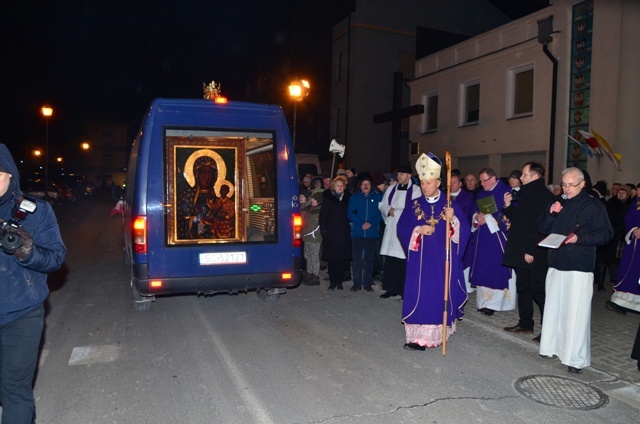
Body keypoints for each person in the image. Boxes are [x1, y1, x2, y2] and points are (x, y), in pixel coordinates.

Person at [0, 144, 66, 423]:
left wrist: (27, 252)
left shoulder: (35, 212)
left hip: (22, 314)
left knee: (15, 390)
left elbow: (55, 258)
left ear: (10, 175)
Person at [537, 167, 613, 374]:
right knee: (553, 307)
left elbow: (606, 234)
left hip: (579, 264)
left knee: (575, 313)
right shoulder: (558, 201)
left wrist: (580, 239)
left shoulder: (594, 205)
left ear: (582, 184)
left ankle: (574, 358)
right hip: (556, 261)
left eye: (571, 185)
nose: (567, 189)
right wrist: (551, 214)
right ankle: (550, 346)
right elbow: (542, 228)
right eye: (564, 184)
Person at [397, 153, 470, 349]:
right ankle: (417, 338)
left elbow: (463, 231)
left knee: (438, 296)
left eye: (428, 183)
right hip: (420, 264)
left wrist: (453, 219)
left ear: (438, 182)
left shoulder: (449, 206)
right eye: (422, 183)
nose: (424, 186)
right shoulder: (413, 206)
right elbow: (401, 229)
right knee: (420, 295)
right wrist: (417, 230)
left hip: (442, 262)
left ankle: (438, 335)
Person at [501, 162, 554, 342]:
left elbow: (542, 227)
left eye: (524, 174)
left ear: (533, 176)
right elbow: (521, 220)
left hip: (533, 251)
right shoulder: (527, 193)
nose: (520, 178)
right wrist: (508, 207)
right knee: (523, 287)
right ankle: (525, 323)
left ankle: (549, 330)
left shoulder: (542, 195)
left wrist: (532, 249)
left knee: (539, 290)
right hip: (521, 249)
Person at [466, 167, 515, 315]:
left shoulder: (506, 191)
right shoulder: (481, 193)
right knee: (483, 267)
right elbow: (474, 210)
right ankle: (484, 302)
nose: (482, 184)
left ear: (494, 178)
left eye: (484, 180)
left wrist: (487, 218)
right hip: (483, 237)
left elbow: (510, 214)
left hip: (498, 237)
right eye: (480, 181)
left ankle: (496, 304)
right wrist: (476, 217)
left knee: (496, 268)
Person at [378, 165, 421, 299]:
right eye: (398, 174)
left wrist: (395, 212)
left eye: (402, 174)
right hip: (391, 228)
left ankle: (403, 290)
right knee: (390, 260)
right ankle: (390, 288)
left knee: (403, 260)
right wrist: (387, 210)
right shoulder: (391, 189)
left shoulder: (415, 190)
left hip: (405, 229)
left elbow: (414, 209)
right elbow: (382, 204)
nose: (399, 176)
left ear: (409, 176)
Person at [347, 173, 383, 292]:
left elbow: (381, 213)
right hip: (357, 232)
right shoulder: (355, 197)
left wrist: (370, 223)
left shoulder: (378, 198)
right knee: (356, 259)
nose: (365, 186)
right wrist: (361, 223)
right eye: (363, 184)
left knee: (369, 259)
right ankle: (357, 283)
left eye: (367, 184)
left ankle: (367, 283)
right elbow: (350, 213)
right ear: (360, 186)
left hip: (371, 233)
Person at [607, 193, 640, 314]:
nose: (638, 192)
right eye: (637, 190)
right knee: (630, 269)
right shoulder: (636, 202)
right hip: (635, 244)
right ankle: (622, 302)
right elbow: (629, 218)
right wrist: (634, 229)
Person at [320, 177, 352, 290]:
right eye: (337, 185)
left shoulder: (348, 199)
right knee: (332, 259)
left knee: (342, 259)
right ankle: (333, 281)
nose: (340, 187)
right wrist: (324, 231)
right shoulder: (328, 199)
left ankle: (340, 282)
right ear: (333, 187)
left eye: (341, 185)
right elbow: (323, 217)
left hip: (344, 233)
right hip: (331, 233)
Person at [177, 155, 219, 239]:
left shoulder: (216, 195)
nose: (206, 177)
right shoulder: (187, 194)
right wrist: (196, 219)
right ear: (197, 174)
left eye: (209, 172)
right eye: (203, 172)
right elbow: (181, 217)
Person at [301, 191, 323, 286]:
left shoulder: (318, 211)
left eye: (313, 199)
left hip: (314, 238)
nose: (312, 200)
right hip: (308, 237)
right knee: (308, 256)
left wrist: (302, 232)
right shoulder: (310, 209)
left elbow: (313, 225)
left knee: (314, 257)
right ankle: (310, 273)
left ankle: (315, 275)